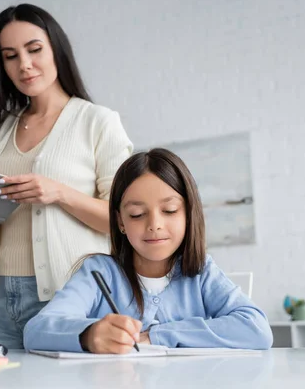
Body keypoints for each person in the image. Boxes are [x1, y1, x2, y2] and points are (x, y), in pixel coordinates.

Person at [0, 4, 133, 349]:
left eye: (34, 49)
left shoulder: (98, 121)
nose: (24, 64)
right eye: (10, 55)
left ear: (56, 49)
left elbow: (123, 221)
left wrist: (59, 193)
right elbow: (1, 215)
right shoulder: (1, 130)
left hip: (68, 296)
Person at [23, 148, 273, 353]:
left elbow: (256, 329)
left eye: (170, 211)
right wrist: (89, 335)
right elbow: (36, 330)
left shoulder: (202, 273)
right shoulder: (98, 273)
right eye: (137, 214)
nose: (154, 225)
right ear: (120, 222)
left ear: (188, 215)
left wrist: (156, 335)